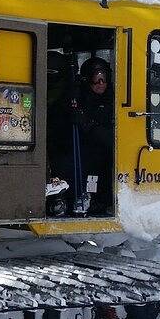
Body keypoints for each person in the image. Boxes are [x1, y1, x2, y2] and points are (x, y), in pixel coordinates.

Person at [69, 57, 115, 214]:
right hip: (86, 154)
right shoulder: (80, 98)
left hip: (106, 155)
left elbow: (111, 135)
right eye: (97, 79)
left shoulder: (113, 99)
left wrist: (90, 126)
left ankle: (101, 201)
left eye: (104, 78)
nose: (101, 83)